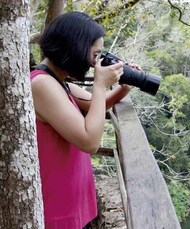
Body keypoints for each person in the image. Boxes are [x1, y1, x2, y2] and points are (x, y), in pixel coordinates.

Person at [30, 12, 134, 228]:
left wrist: (124, 87)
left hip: (71, 202)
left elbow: (99, 104)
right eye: (94, 54)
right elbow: (89, 142)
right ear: (74, 47)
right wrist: (99, 84)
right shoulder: (41, 84)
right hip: (57, 210)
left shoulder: (59, 82)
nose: (94, 62)